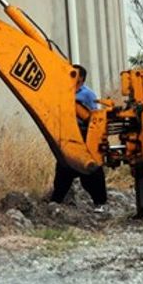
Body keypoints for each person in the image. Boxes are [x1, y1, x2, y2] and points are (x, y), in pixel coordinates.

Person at [49, 64, 107, 212]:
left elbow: (96, 118)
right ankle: (56, 201)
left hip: (84, 136)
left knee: (91, 171)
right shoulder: (62, 92)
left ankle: (100, 203)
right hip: (67, 137)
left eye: (74, 73)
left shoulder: (87, 95)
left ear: (80, 78)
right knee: (63, 169)